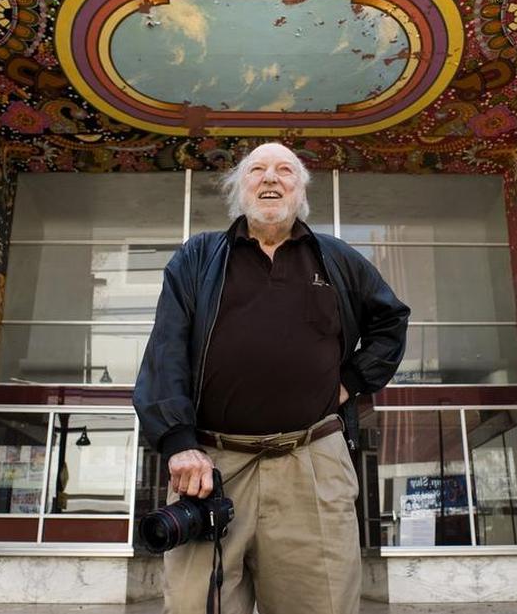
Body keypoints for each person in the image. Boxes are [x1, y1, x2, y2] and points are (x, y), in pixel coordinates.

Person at [133, 142, 409, 614]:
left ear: (301, 191)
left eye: (285, 170)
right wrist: (178, 441)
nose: (270, 178)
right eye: (257, 170)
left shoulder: (337, 259)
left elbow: (391, 322)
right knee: (195, 605)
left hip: (312, 462)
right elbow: (166, 350)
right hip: (211, 468)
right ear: (239, 189)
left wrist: (350, 380)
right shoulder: (197, 258)